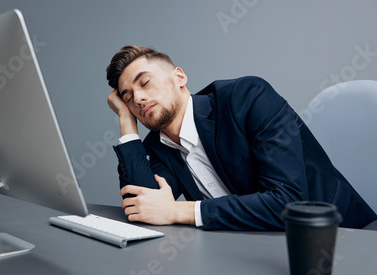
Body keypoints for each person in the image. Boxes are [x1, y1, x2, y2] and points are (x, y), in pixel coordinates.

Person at [106, 45, 377, 231]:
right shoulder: (158, 146)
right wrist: (127, 124)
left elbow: (288, 203)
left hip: (340, 239)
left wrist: (180, 211)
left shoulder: (247, 98)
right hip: (247, 256)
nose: (138, 98)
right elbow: (145, 209)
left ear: (179, 77)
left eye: (144, 83)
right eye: (128, 97)